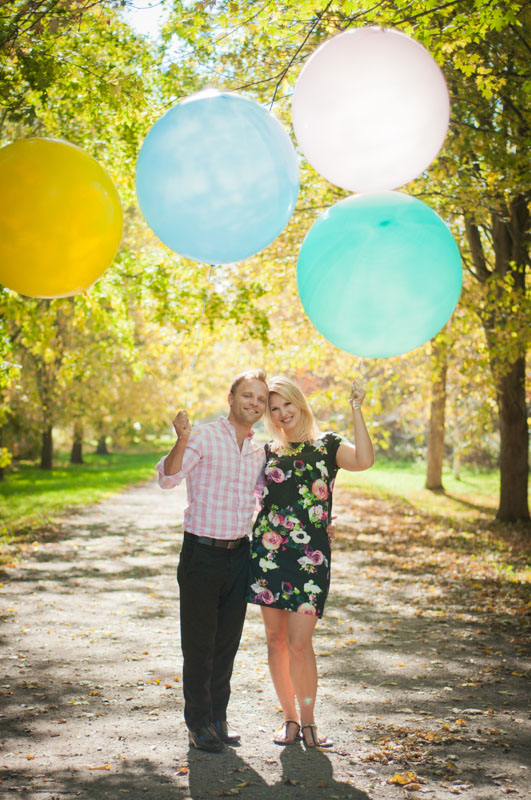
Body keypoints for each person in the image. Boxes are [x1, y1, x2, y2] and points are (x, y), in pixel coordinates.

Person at [246, 376, 374, 748]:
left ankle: (309, 721)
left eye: (287, 404)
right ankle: (288, 720)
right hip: (268, 554)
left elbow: (364, 461)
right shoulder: (266, 450)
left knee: (299, 642)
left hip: (310, 558)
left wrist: (356, 408)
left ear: (300, 404)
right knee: (275, 641)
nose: (282, 413)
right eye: (274, 408)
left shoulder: (327, 444)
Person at [156, 369, 268, 752]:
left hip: (240, 556)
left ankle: (219, 717)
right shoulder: (202, 435)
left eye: (261, 399)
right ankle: (198, 722)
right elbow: (168, 479)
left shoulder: (259, 449)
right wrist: (182, 439)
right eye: (248, 395)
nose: (254, 403)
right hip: (201, 554)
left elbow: (269, 495)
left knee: (227, 644)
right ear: (232, 397)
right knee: (200, 644)